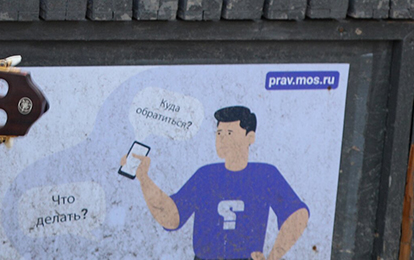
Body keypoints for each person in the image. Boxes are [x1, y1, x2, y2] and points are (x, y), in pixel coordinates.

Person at [124, 106, 309, 260]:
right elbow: (172, 218)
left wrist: (274, 255)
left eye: (230, 132)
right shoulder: (206, 175)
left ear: (250, 137)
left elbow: (298, 215)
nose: (222, 138)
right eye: (219, 132)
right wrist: (144, 178)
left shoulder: (265, 174)